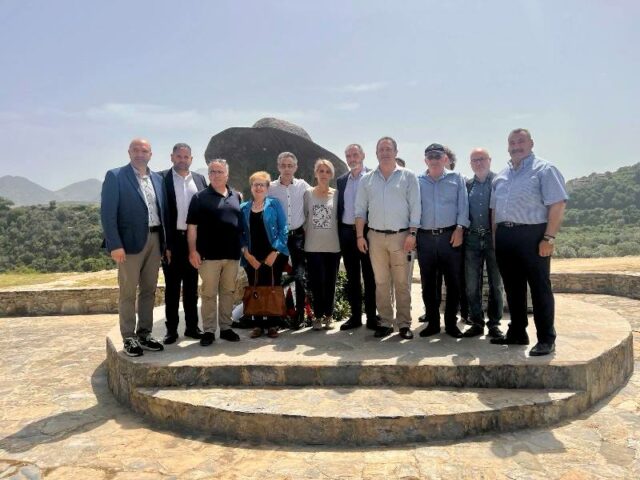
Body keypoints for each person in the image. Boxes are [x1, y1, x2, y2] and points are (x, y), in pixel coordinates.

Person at [490, 128, 568, 356]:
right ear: (508, 146)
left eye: (521, 141)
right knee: (512, 287)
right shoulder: (501, 175)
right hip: (505, 236)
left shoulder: (545, 169)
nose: (516, 146)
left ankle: (546, 338)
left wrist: (549, 237)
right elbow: (494, 211)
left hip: (533, 235)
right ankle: (517, 332)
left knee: (539, 287)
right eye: (512, 142)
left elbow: (558, 204)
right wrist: (496, 238)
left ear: (531, 144)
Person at [100, 138, 166, 357]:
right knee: (128, 292)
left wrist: (165, 244)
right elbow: (107, 213)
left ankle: (145, 334)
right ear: (129, 152)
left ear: (150, 154)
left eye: (144, 150)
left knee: (149, 290)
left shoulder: (158, 179)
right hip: (128, 244)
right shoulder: (116, 176)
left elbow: (163, 211)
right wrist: (115, 244)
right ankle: (128, 337)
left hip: (155, 239)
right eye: (135, 150)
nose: (140, 154)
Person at [355, 137, 421, 340]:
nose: (385, 152)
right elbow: (360, 210)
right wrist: (360, 236)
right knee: (381, 282)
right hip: (375, 237)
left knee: (402, 283)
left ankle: (404, 324)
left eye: (388, 149)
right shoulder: (367, 180)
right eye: (381, 149)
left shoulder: (408, 176)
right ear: (376, 153)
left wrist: (412, 234)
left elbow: (415, 207)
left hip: (401, 236)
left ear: (395, 152)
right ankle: (385, 322)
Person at [187, 159, 243, 346]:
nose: (216, 175)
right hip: (208, 256)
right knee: (209, 294)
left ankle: (226, 328)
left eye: (220, 171)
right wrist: (193, 251)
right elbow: (192, 227)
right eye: (212, 171)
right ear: (208, 174)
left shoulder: (236, 196)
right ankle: (209, 331)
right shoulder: (199, 198)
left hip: (232, 255)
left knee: (228, 292)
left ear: (227, 174)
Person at [416, 143, 469, 339]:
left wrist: (460, 228)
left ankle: (451, 324)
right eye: (430, 156)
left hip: (450, 236)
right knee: (428, 283)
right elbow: (413, 208)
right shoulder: (418, 181)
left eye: (437, 156)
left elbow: (463, 206)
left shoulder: (457, 178)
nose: (434, 159)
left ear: (445, 158)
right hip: (425, 238)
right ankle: (433, 323)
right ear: (425, 160)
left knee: (453, 282)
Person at [160, 143, 207, 344]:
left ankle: (192, 327)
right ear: (172, 157)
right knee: (172, 288)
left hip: (194, 242)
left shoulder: (200, 179)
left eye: (186, 157)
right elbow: (161, 213)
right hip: (173, 242)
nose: (182, 160)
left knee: (191, 288)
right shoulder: (161, 179)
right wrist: (165, 245)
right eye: (179, 156)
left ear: (191, 159)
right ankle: (171, 330)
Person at [241, 171, 290, 338]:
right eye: (256, 184)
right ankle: (258, 325)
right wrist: (247, 255)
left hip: (273, 255)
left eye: (262, 185)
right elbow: (239, 233)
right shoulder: (244, 208)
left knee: (272, 287)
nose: (259, 188)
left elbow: (284, 228)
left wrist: (275, 252)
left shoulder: (274, 204)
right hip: (252, 257)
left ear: (267, 188)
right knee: (255, 287)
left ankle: (272, 324)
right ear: (251, 187)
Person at [462, 148, 504, 338]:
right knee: (472, 285)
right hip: (471, 239)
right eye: (475, 160)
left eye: (482, 159)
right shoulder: (467, 185)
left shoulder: (499, 181)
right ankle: (476, 322)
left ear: (489, 160)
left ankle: (494, 324)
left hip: (492, 238)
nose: (478, 163)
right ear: (470, 164)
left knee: (496, 284)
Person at [336, 144, 378, 331]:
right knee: (352, 277)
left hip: (367, 232)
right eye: (348, 156)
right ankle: (355, 317)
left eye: (355, 155)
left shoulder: (373, 177)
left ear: (363, 155)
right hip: (346, 232)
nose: (352, 159)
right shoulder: (341, 180)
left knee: (370, 276)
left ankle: (371, 317)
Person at [268, 152, 311, 328]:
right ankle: (277, 318)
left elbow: (317, 197)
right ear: (278, 167)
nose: (287, 169)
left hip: (298, 237)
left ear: (295, 167)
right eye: (283, 166)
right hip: (279, 238)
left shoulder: (302, 186)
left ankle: (299, 317)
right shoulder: (270, 187)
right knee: (276, 277)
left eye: (290, 166)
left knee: (300, 277)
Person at [304, 159, 341, 330]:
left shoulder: (337, 194)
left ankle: (329, 316)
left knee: (330, 283)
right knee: (316, 283)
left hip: (333, 246)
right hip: (312, 247)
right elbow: (304, 217)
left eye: (327, 171)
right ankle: (317, 317)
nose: (324, 174)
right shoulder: (308, 194)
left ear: (331, 175)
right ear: (316, 173)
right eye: (321, 171)